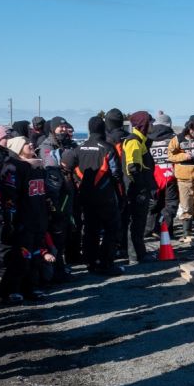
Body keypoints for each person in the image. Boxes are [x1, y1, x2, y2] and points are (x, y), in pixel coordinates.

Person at [63, 116, 124, 274]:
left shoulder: (79, 148)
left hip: (85, 195)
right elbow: (117, 174)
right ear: (103, 129)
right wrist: (120, 195)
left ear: (89, 129)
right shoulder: (107, 148)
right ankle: (105, 263)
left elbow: (68, 167)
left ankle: (91, 262)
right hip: (105, 195)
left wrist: (78, 182)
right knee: (112, 228)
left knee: (91, 229)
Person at [0, 137, 56, 299]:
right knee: (21, 257)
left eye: (30, 142)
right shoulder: (13, 168)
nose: (31, 144)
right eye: (26, 143)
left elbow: (43, 195)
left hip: (38, 220)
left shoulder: (37, 167)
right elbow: (10, 197)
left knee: (36, 256)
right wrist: (11, 220)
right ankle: (12, 290)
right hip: (23, 221)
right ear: (17, 148)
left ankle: (31, 287)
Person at [37, 117, 76, 278]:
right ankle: (56, 271)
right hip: (56, 197)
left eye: (65, 126)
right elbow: (50, 169)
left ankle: (62, 265)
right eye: (60, 127)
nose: (63, 129)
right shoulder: (47, 146)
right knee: (56, 235)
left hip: (67, 194)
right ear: (53, 129)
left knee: (66, 233)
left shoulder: (67, 143)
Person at [122, 111, 156, 261]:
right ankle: (136, 255)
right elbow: (133, 168)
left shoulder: (140, 141)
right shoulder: (133, 141)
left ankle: (139, 253)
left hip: (141, 189)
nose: (153, 125)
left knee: (140, 222)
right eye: (151, 122)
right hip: (136, 190)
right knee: (136, 222)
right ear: (144, 124)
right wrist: (142, 189)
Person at [145, 113, 178, 237]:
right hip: (170, 173)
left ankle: (149, 229)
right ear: (169, 124)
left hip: (153, 174)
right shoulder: (174, 138)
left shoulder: (147, 139)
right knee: (170, 204)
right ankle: (165, 230)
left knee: (153, 203)